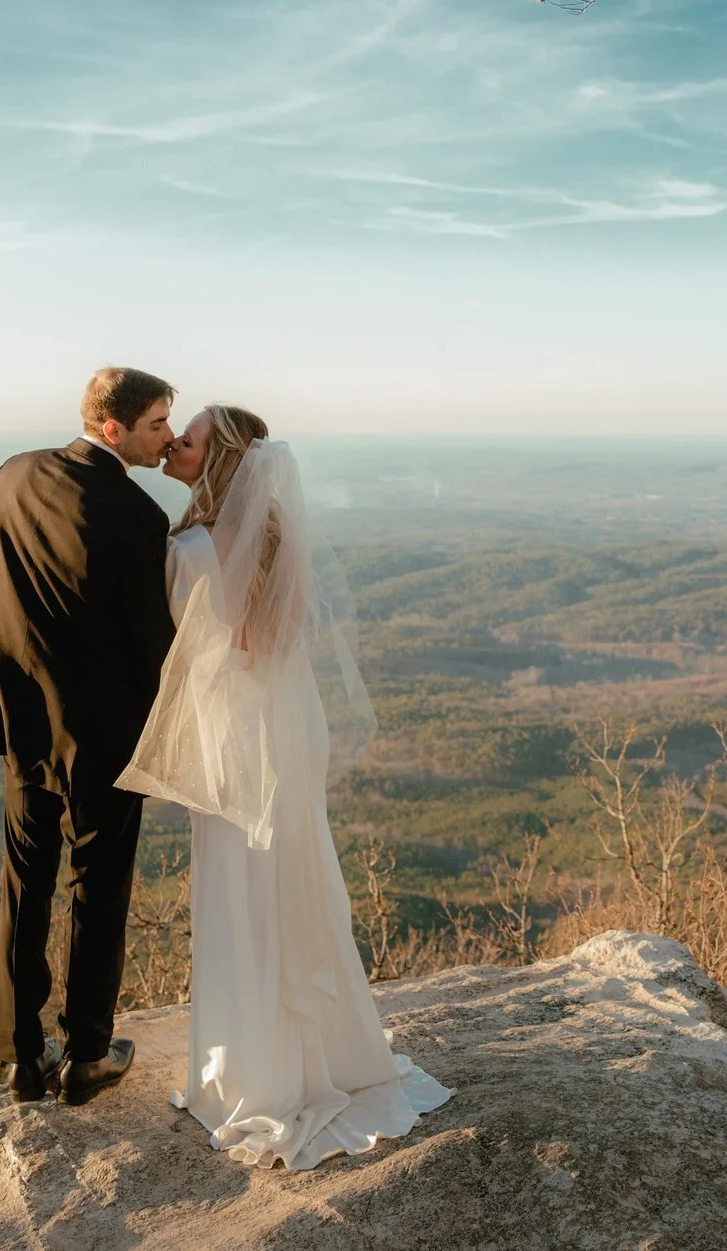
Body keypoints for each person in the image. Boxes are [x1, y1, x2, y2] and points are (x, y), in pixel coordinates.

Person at [118, 404, 451, 1168]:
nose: (174, 445)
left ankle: (253, 1074)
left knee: (242, 889)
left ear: (219, 459)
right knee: (294, 878)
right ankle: (319, 1051)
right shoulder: (277, 535)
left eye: (189, 440)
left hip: (235, 743)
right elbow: (276, 642)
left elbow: (177, 650)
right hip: (288, 735)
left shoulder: (194, 547)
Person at [0, 366, 177, 1104]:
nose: (170, 437)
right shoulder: (138, 515)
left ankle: (18, 1056)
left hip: (24, 720)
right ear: (114, 426)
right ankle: (88, 1052)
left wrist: (12, 682)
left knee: (24, 882)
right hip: (106, 736)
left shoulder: (10, 477)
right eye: (158, 423)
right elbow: (154, 644)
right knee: (98, 886)